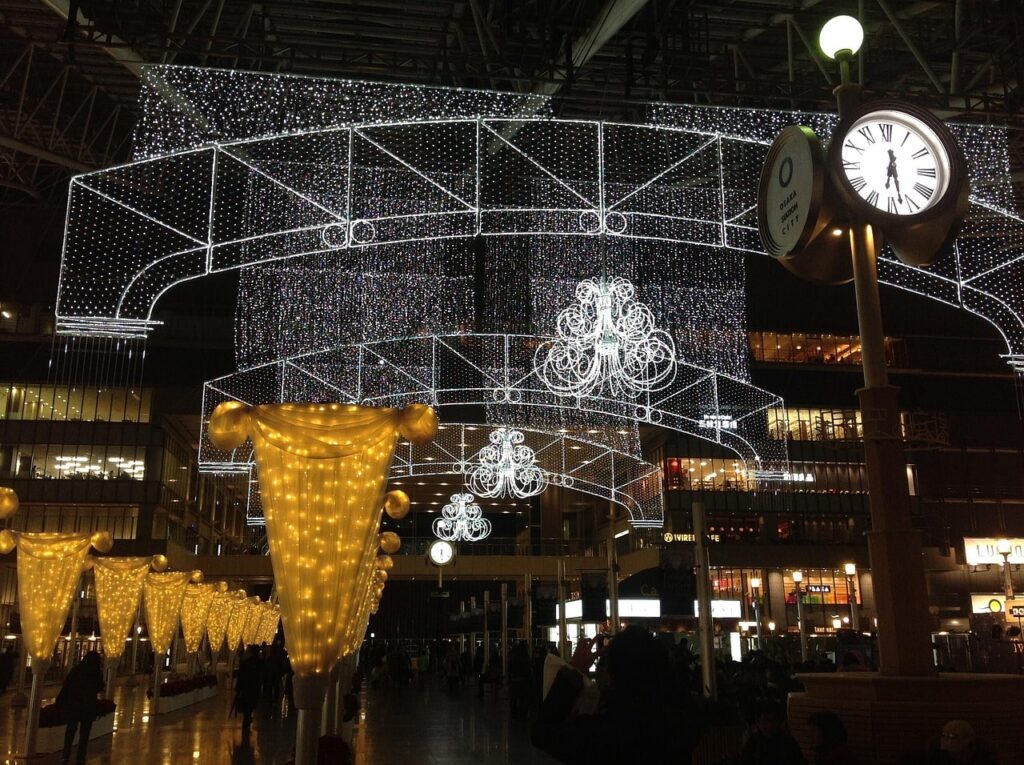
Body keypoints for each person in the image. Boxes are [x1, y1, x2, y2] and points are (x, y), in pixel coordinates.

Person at [532, 626, 698, 763]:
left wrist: (574, 671)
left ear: (613, 675)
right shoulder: (678, 727)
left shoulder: (603, 735)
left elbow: (544, 733)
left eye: (604, 664)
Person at [57, 651, 104, 764]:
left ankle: (66, 754)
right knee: (84, 733)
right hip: (88, 706)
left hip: (74, 705)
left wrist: (61, 701)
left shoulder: (76, 670)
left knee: (70, 730)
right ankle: (80, 756)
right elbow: (100, 686)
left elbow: (67, 685)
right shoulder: (95, 672)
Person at [738, 702, 805, 765]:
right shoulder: (753, 744)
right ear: (758, 722)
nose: (770, 725)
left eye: (774, 721)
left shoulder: (789, 743)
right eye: (765, 721)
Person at [234, 645, 264, 743]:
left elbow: (241, 676)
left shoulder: (246, 662)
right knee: (250, 705)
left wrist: (238, 688)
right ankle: (247, 720)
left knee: (247, 704)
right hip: (254, 688)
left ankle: (246, 720)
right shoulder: (259, 663)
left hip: (246, 688)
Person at [508, 641, 532, 720]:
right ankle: (523, 714)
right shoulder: (526, 658)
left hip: (515, 681)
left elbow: (510, 669)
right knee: (523, 699)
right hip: (524, 682)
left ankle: (514, 715)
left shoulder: (514, 658)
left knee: (514, 699)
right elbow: (528, 671)